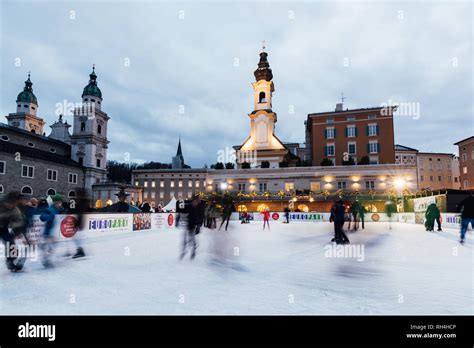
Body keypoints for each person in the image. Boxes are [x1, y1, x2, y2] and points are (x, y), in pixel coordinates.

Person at [0, 192, 26, 271]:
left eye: (15, 203)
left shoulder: (14, 210)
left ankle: (10, 262)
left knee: (10, 243)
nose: (13, 205)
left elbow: (19, 220)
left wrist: (16, 230)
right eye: (11, 203)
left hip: (3, 228)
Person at [39, 194, 64, 267]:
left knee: (52, 246)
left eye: (61, 202)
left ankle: (46, 258)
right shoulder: (50, 209)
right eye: (59, 202)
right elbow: (42, 217)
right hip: (48, 232)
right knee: (50, 247)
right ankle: (46, 260)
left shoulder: (58, 210)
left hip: (53, 232)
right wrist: (49, 217)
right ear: (55, 202)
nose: (60, 204)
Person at [180, 195, 204, 260]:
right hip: (188, 224)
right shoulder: (189, 206)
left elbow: (201, 217)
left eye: (197, 201)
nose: (196, 202)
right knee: (185, 239)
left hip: (194, 226)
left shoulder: (199, 208)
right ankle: (184, 251)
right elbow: (182, 212)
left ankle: (193, 251)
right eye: (195, 201)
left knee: (192, 239)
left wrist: (199, 226)